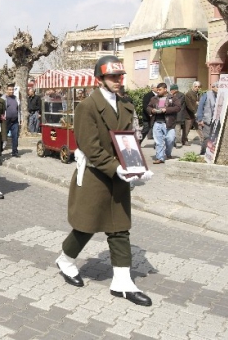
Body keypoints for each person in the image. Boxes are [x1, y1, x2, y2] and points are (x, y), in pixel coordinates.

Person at [55, 55, 154, 307]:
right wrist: (117, 168)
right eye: (113, 77)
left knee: (119, 227)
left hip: (118, 174)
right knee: (86, 225)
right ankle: (65, 260)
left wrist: (136, 166)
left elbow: (129, 140)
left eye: (120, 76)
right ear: (100, 79)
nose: (118, 81)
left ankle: (122, 282)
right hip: (95, 175)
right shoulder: (87, 106)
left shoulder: (126, 105)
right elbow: (91, 147)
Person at [147, 83, 181, 163]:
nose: (158, 91)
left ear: (165, 89)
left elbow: (178, 108)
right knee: (158, 142)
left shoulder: (173, 98)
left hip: (169, 123)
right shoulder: (154, 98)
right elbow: (148, 107)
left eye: (160, 90)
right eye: (157, 90)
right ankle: (160, 158)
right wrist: (152, 110)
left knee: (170, 139)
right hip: (157, 122)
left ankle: (168, 153)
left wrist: (167, 110)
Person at [197, 82, 219, 155]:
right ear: (213, 87)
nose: (219, 89)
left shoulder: (222, 95)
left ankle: (212, 154)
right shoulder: (206, 95)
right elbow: (200, 107)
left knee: (215, 138)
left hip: (217, 121)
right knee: (207, 137)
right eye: (217, 87)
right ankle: (203, 153)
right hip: (207, 120)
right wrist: (200, 119)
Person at [2, 83, 20, 157]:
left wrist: (20, 119)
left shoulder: (16, 98)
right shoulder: (3, 98)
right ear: (6, 90)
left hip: (15, 121)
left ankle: (14, 152)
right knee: (3, 137)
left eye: (12, 90)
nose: (11, 91)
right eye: (10, 90)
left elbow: (19, 109)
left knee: (15, 136)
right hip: (6, 121)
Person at [183, 81, 202, 146]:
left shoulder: (199, 94)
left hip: (197, 114)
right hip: (189, 115)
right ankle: (184, 140)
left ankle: (203, 140)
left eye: (198, 87)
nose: (197, 88)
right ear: (193, 86)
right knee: (187, 129)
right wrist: (194, 112)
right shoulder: (188, 94)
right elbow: (189, 105)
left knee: (199, 128)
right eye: (195, 86)